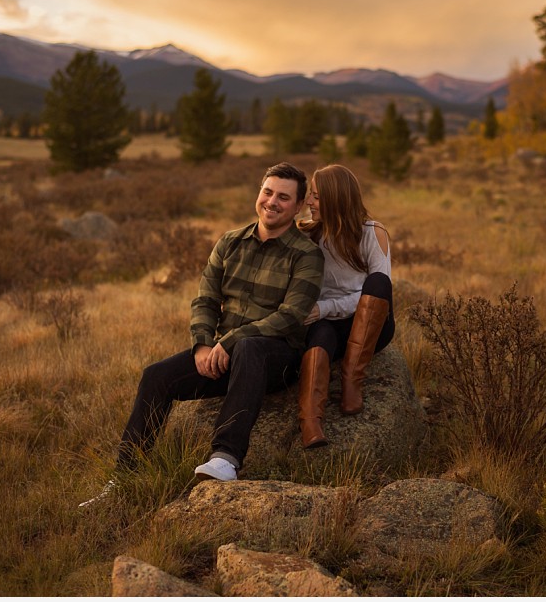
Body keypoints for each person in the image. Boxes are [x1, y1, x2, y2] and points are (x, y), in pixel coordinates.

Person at [79, 162, 323, 507]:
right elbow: (205, 300)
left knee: (250, 347)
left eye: (284, 197)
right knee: (157, 376)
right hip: (223, 355)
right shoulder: (230, 242)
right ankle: (123, 478)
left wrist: (230, 340)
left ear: (297, 206)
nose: (272, 202)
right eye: (267, 192)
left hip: (276, 358)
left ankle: (226, 458)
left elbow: (292, 315)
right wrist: (203, 344)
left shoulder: (307, 255)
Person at [296, 164, 395, 449]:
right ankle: (311, 421)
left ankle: (352, 380)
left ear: (336, 198)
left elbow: (379, 293)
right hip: (329, 325)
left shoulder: (372, 233)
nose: (309, 202)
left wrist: (325, 308)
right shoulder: (309, 235)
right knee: (320, 333)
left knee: (377, 282)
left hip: (371, 326)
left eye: (315, 196)